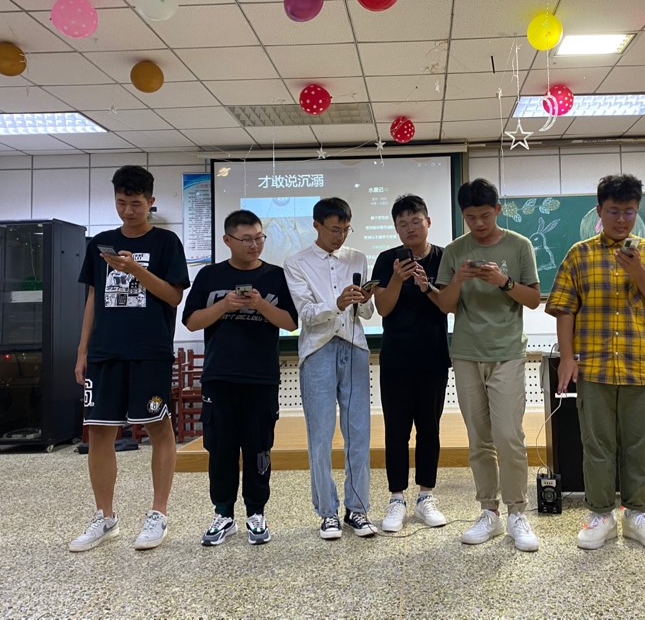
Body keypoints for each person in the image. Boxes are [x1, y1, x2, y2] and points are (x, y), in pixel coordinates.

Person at [545, 174, 645, 553]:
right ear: (599, 211)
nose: (622, 219)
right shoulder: (579, 254)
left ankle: (637, 515)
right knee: (597, 445)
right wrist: (566, 358)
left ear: (638, 211)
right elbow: (565, 309)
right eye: (614, 211)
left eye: (629, 212)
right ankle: (601, 514)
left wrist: (638, 272)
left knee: (639, 446)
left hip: (639, 364)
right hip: (594, 366)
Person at [70, 165, 189, 552]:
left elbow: (174, 296)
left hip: (149, 351)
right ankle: (105, 517)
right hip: (104, 352)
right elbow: (93, 297)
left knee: (158, 427)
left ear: (151, 201)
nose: (128, 210)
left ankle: (158, 514)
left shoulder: (166, 243)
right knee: (99, 432)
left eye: (135, 203)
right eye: (121, 203)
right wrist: (82, 350)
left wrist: (135, 269)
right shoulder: (100, 243)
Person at [434, 178, 541, 552]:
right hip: (466, 353)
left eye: (484, 215)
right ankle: (488, 511)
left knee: (509, 436)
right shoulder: (454, 251)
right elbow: (445, 305)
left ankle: (517, 512)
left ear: (497, 209)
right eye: (470, 217)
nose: (478, 223)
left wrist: (503, 281)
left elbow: (533, 300)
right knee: (479, 438)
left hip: (507, 352)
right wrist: (458, 279)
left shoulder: (519, 245)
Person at [182, 210, 298, 546]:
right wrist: (224, 305)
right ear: (227, 240)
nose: (254, 245)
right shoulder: (209, 275)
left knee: (259, 448)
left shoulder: (276, 276)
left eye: (259, 238)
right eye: (246, 239)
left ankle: (256, 513)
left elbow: (291, 323)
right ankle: (223, 513)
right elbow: (191, 322)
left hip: (261, 378)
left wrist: (260, 305)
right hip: (219, 376)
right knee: (221, 448)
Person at [284, 197, 378, 540]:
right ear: (317, 225)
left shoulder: (357, 258)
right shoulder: (296, 262)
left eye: (346, 230)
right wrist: (336, 303)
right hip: (317, 350)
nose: (340, 236)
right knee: (320, 436)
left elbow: (366, 314)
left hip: (354, 347)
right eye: (334, 229)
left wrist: (364, 300)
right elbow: (306, 315)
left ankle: (358, 509)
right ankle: (327, 513)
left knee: (359, 432)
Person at [371, 195, 450, 533]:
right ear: (395, 228)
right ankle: (396, 499)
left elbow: (448, 305)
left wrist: (426, 286)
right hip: (396, 359)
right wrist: (397, 279)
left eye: (415, 221)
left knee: (430, 429)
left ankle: (426, 497)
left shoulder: (444, 257)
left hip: (433, 357)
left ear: (428, 222)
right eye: (402, 224)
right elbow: (382, 308)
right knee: (396, 431)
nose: (409, 228)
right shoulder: (386, 260)